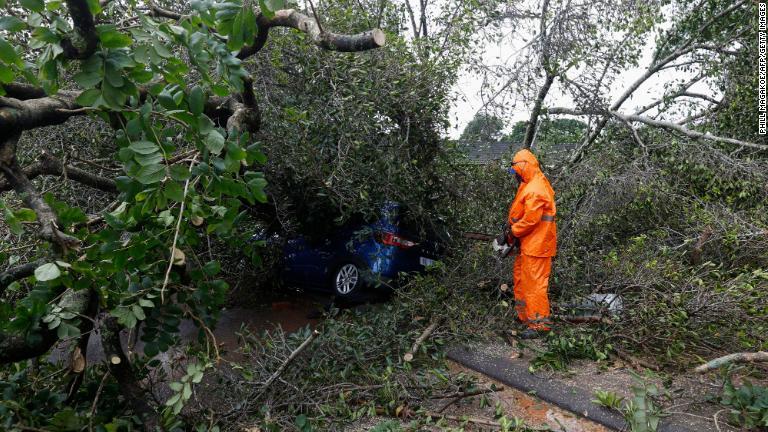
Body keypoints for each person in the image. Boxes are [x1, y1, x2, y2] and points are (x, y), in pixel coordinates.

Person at [507, 149, 557, 339]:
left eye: (515, 171)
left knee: (535, 286)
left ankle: (539, 325)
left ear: (523, 168)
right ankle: (525, 317)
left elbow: (531, 220)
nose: (514, 176)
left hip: (537, 245)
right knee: (521, 280)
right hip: (529, 244)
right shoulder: (530, 183)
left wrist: (513, 231)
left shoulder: (536, 188)